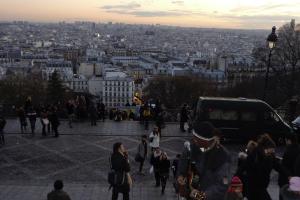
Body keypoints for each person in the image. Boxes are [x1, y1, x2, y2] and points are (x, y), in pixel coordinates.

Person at [177, 121, 231, 200]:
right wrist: (180, 177)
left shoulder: (223, 156)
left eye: (196, 140)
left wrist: (200, 196)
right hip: (190, 194)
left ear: (206, 141)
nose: (193, 141)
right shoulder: (191, 148)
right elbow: (182, 168)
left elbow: (222, 185)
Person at [245, 134, 282, 200]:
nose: (273, 151)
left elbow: (277, 166)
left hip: (260, 187)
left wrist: (288, 175)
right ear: (266, 149)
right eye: (272, 149)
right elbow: (244, 169)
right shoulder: (255, 155)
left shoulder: (269, 156)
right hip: (254, 187)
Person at [279, 134, 300, 200]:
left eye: (286, 140)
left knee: (285, 196)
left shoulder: (288, 150)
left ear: (289, 141)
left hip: (287, 179)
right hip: (297, 180)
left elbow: (284, 166)